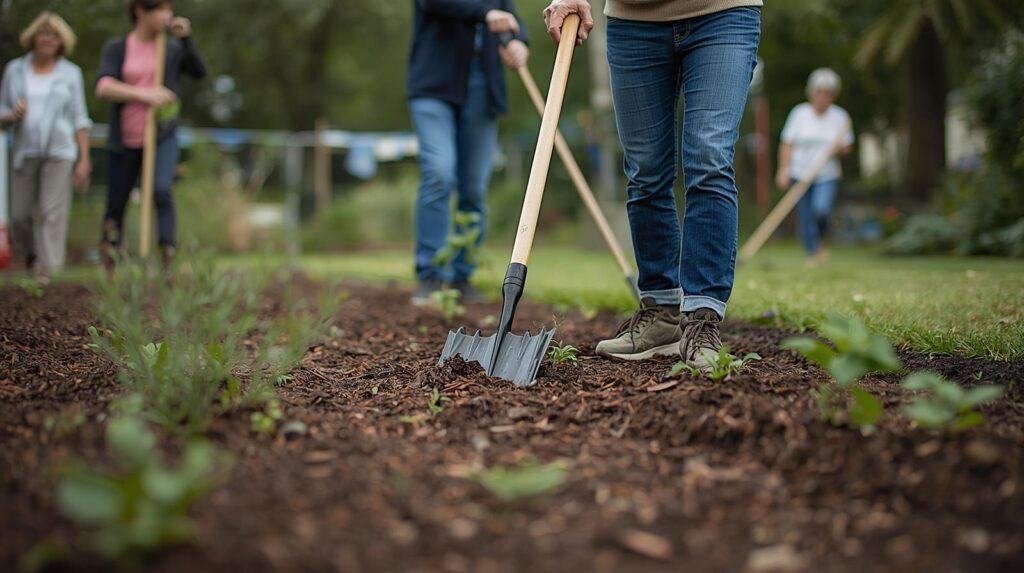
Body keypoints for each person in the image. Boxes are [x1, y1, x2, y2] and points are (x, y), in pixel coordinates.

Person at [542, 0, 761, 370]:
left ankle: (702, 318)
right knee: (645, 171)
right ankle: (661, 313)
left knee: (709, 156)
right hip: (635, 22)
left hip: (723, 13)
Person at [408, 0, 530, 304]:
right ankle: (432, 275)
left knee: (474, 187)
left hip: (482, 85)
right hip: (433, 84)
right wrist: (486, 14)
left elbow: (510, 18)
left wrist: (519, 43)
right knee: (439, 172)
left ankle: (463, 276)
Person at [96, 0, 206, 270]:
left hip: (162, 135)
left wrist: (186, 39)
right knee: (117, 200)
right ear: (140, 11)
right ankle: (111, 260)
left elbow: (199, 72)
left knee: (161, 190)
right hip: (126, 137)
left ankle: (167, 256)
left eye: (169, 9)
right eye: (160, 10)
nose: (167, 15)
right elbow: (103, 86)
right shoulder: (118, 47)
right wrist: (144, 94)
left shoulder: (170, 48)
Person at [0, 12, 92, 284]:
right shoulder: (15, 70)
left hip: (60, 151)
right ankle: (32, 257)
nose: (47, 39)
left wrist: (84, 159)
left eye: (53, 35)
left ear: (61, 41)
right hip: (23, 151)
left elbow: (79, 117)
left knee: (51, 213)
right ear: (33, 38)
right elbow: (1, 109)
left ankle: (50, 273)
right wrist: (11, 116)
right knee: (19, 216)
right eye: (43, 33)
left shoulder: (70, 73)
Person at [775, 68, 854, 266]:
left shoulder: (840, 117)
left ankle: (821, 242)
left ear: (833, 95)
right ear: (811, 93)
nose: (823, 97)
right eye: (819, 92)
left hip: (827, 175)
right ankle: (812, 254)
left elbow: (847, 147)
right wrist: (783, 170)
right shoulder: (799, 114)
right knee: (806, 217)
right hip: (799, 173)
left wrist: (840, 148)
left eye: (828, 94)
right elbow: (787, 144)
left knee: (821, 211)